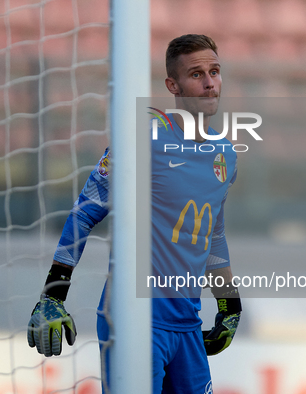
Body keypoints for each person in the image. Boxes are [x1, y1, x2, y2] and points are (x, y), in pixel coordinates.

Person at [27, 34, 242, 394]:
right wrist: (53, 293)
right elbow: (84, 213)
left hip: (188, 322)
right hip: (132, 320)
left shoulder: (226, 155)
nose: (209, 83)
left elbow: (213, 233)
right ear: (172, 85)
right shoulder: (143, 137)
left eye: (215, 72)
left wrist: (228, 303)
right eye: (196, 74)